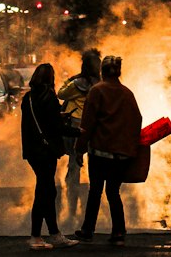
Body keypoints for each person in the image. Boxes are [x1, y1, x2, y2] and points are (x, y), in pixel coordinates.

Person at [73, 55, 142, 247]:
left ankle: (87, 230)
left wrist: (79, 149)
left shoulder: (97, 91)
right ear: (119, 71)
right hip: (120, 155)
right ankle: (118, 232)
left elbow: (87, 123)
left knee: (95, 190)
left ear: (102, 71)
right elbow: (137, 120)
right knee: (113, 192)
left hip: (100, 152)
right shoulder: (127, 93)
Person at [21, 63, 78, 250]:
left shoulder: (28, 98)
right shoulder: (50, 97)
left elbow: (37, 122)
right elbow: (56, 127)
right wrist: (78, 131)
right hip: (46, 151)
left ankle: (53, 234)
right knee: (44, 193)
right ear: (50, 78)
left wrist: (56, 117)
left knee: (46, 190)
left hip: (32, 151)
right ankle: (37, 237)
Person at [58, 49, 102, 212]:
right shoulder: (101, 84)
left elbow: (61, 94)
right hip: (95, 128)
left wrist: (69, 80)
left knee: (74, 167)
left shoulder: (76, 84)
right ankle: (94, 209)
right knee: (95, 169)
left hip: (75, 127)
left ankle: (72, 208)